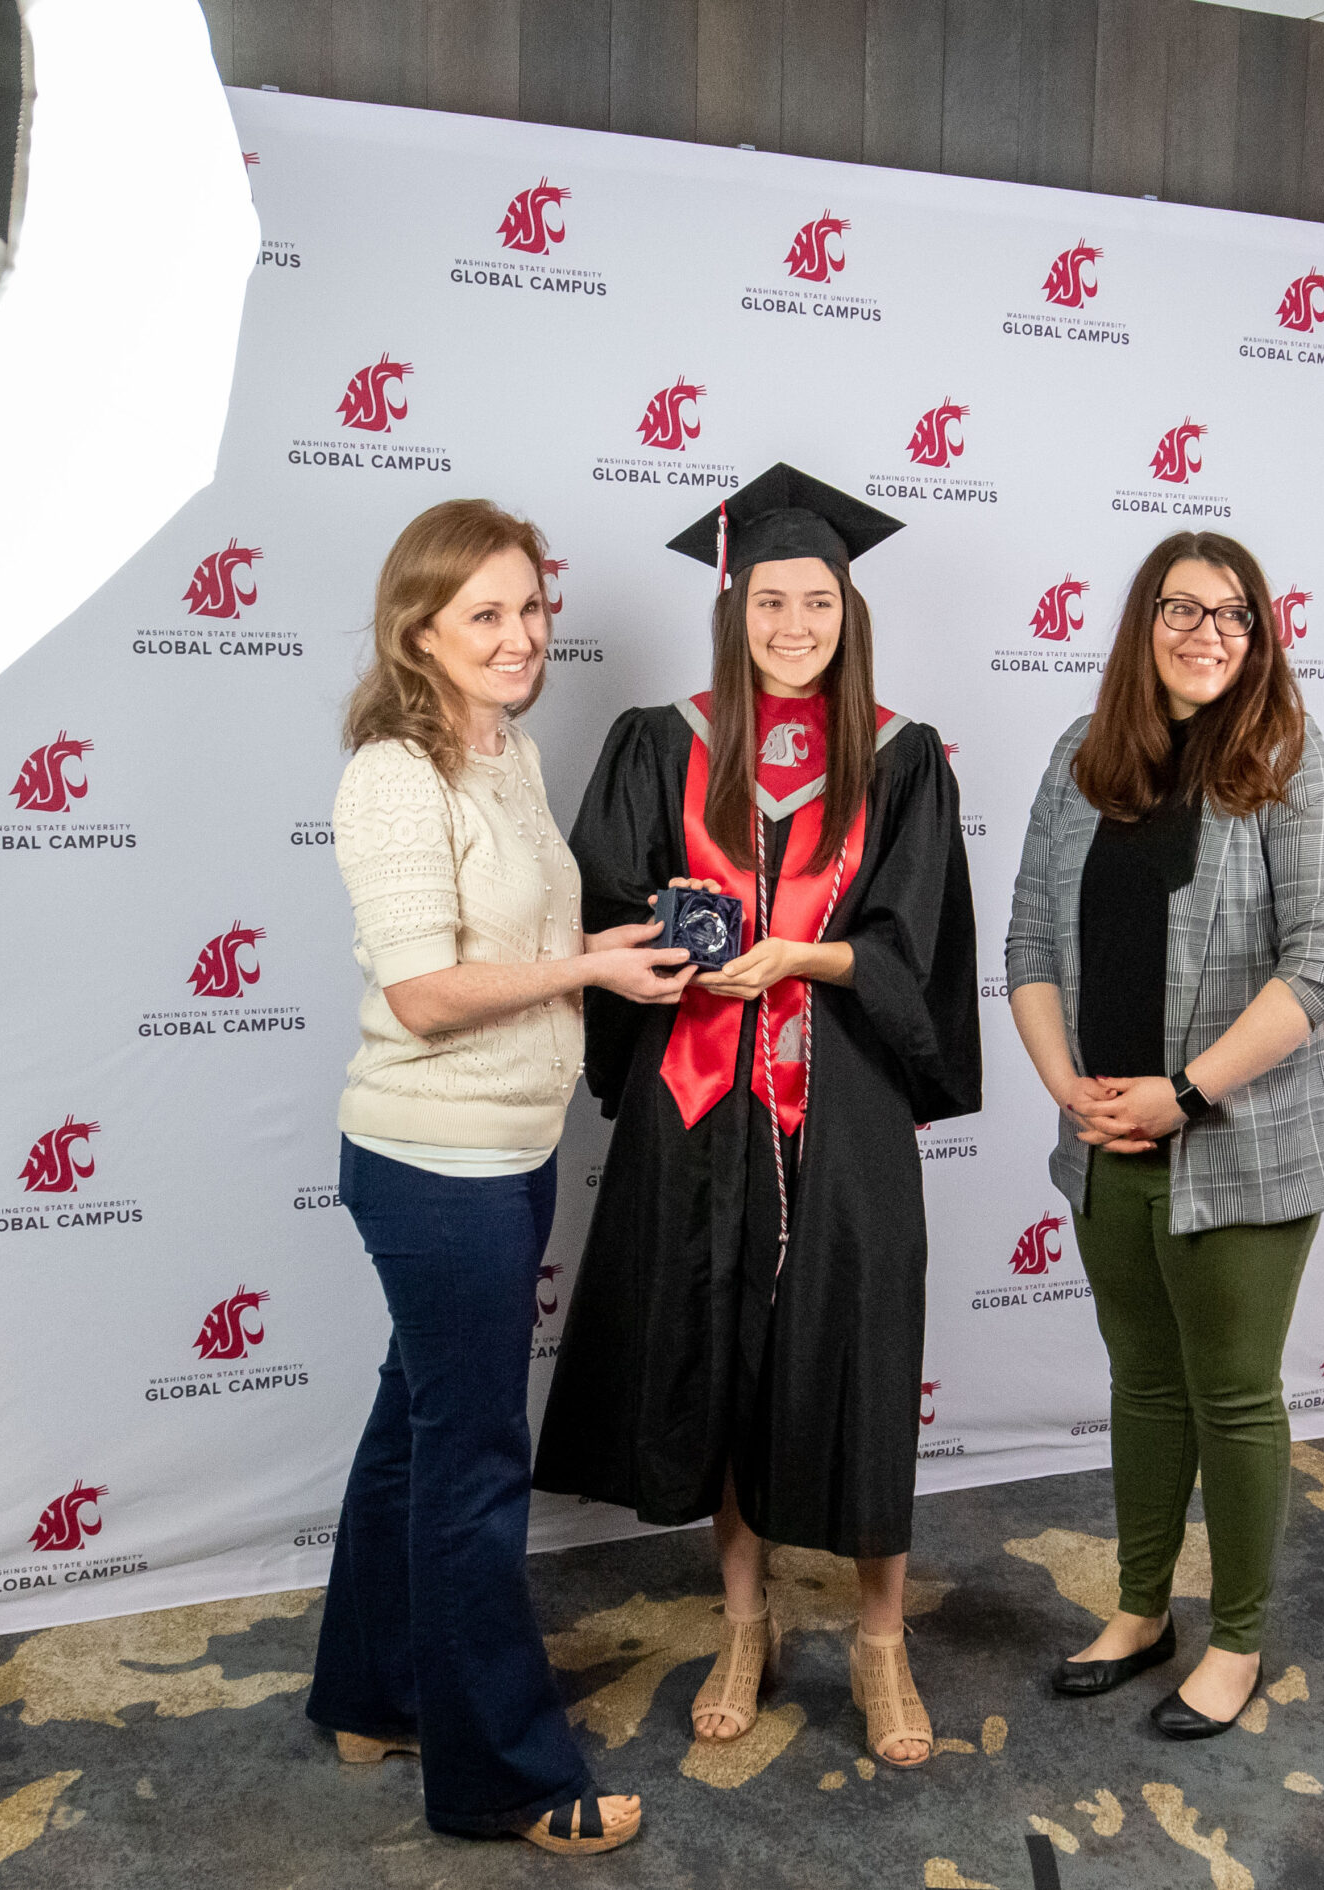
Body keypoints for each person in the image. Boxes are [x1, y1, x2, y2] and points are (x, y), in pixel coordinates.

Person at [534, 465, 981, 1770]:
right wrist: (680, 954)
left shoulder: (901, 756)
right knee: (719, 1346)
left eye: (817, 600)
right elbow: (601, 911)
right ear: (734, 608)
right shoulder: (659, 741)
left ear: (849, 611)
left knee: (862, 1354)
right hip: (697, 1094)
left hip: (840, 1098)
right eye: (770, 600)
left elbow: (915, 941)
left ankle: (882, 1640)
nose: (794, 624)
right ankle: (746, 1621)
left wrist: (801, 957)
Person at [310, 499, 695, 1855]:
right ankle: (502, 1779)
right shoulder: (393, 775)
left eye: (531, 605)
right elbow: (423, 993)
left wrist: (609, 947)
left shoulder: (505, 753)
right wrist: (589, 968)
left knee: (412, 1433)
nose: (521, 633)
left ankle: (372, 1694)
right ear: (418, 631)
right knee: (472, 1469)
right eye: (485, 612)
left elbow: (518, 942)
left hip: (508, 1150)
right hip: (436, 1163)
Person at [1004, 529, 1324, 1739]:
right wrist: (1067, 1086)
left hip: (1238, 1144)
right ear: (1141, 623)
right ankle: (1141, 1610)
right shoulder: (1081, 758)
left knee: (1234, 1398)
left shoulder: (1287, 759)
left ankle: (1239, 1640)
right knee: (1146, 1386)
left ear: (1259, 633)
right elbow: (1029, 943)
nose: (1207, 634)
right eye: (1181, 609)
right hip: (1105, 1141)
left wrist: (1186, 1093)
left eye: (1233, 614)